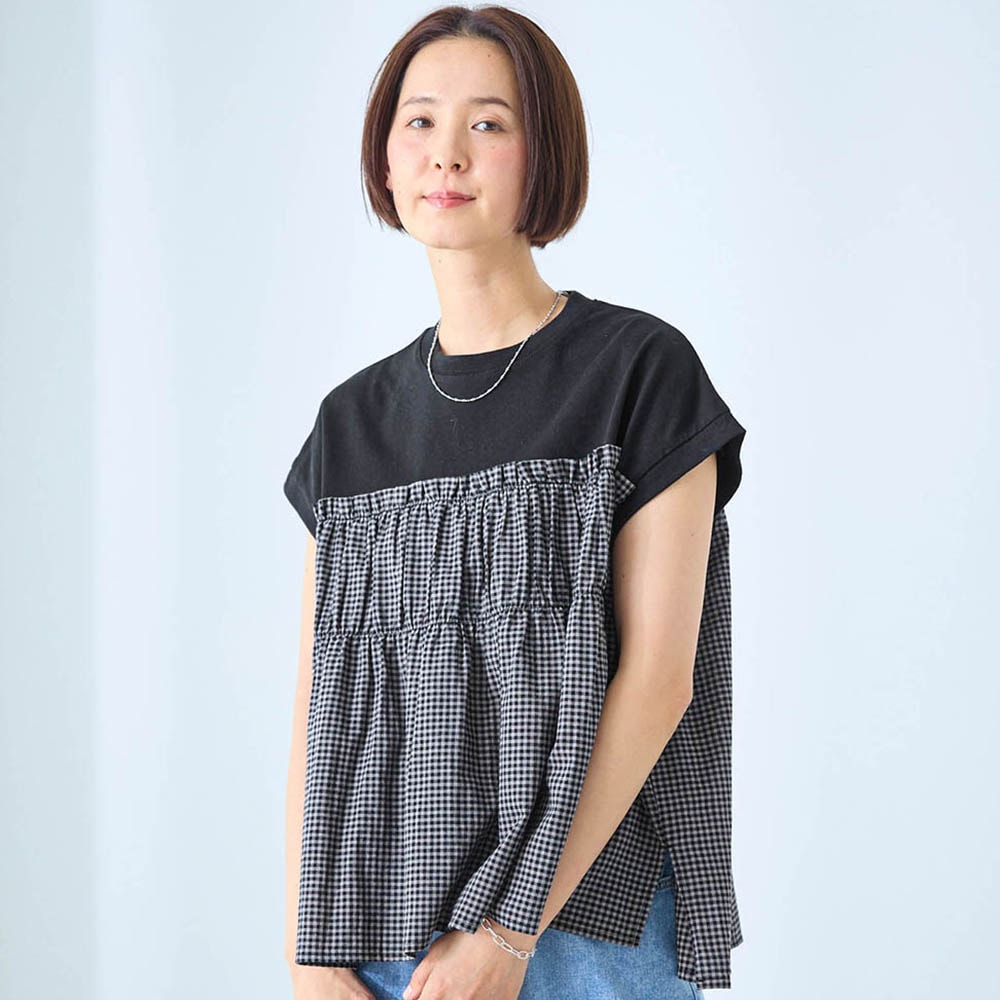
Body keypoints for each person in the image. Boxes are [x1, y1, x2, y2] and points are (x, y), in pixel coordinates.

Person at [282, 6, 747, 999]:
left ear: (546, 154)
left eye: (488, 123)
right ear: (384, 156)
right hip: (380, 930)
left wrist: (507, 929)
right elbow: (320, 701)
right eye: (419, 120)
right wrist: (307, 952)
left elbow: (660, 679)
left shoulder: (637, 371)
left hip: (582, 930)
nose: (446, 152)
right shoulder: (350, 423)